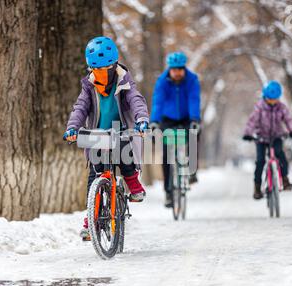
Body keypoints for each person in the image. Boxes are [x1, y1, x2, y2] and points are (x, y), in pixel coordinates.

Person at [63, 36, 149, 240]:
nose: (100, 74)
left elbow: (136, 101)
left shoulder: (125, 82)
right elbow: (80, 108)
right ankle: (90, 218)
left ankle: (133, 183)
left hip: (121, 131)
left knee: (124, 154)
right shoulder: (88, 87)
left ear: (113, 66)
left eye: (105, 69)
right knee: (94, 175)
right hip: (97, 135)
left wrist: (142, 119)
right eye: (96, 70)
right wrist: (73, 128)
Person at [149, 52, 201, 208]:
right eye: (174, 69)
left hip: (187, 117)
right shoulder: (162, 81)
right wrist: (154, 121)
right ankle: (168, 193)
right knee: (166, 153)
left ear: (184, 68)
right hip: (167, 118)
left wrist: (194, 119)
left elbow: (194, 99)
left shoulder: (192, 80)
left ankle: (192, 170)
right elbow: (158, 102)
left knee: (194, 135)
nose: (177, 72)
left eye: (180, 69)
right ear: (169, 69)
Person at [243, 80, 292, 200]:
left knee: (281, 156)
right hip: (261, 138)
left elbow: (288, 119)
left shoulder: (281, 107)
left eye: (275, 99)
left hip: (276, 136)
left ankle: (285, 180)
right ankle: (257, 188)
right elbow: (252, 121)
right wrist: (248, 133)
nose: (273, 101)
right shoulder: (259, 108)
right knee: (260, 161)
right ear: (265, 96)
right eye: (270, 99)